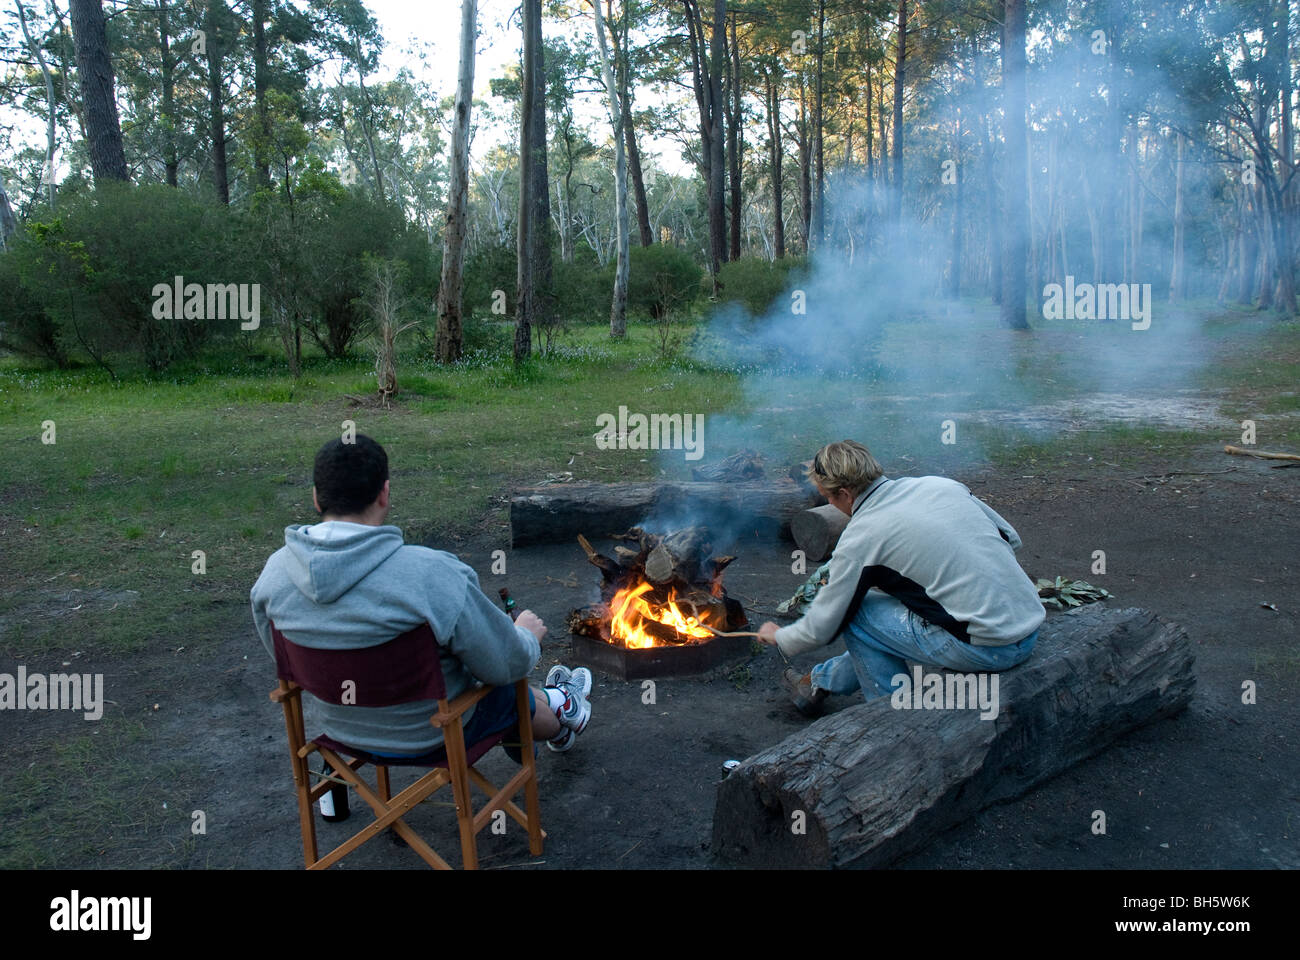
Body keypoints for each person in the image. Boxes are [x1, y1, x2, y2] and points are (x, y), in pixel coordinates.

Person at [251, 434, 593, 758]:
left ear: (315, 497)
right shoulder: (432, 574)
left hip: (338, 730)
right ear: (385, 493)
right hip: (433, 733)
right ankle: (561, 707)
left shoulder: (272, 578)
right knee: (506, 692)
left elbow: (288, 664)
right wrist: (526, 637)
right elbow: (504, 665)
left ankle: (561, 707)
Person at [757, 440, 1044, 716]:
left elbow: (826, 624)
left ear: (844, 493)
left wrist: (782, 637)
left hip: (989, 647)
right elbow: (1011, 539)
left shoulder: (862, 535)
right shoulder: (940, 485)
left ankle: (892, 715)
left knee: (857, 614)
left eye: (829, 498)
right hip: (1028, 623)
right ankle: (819, 682)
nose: (831, 504)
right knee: (880, 607)